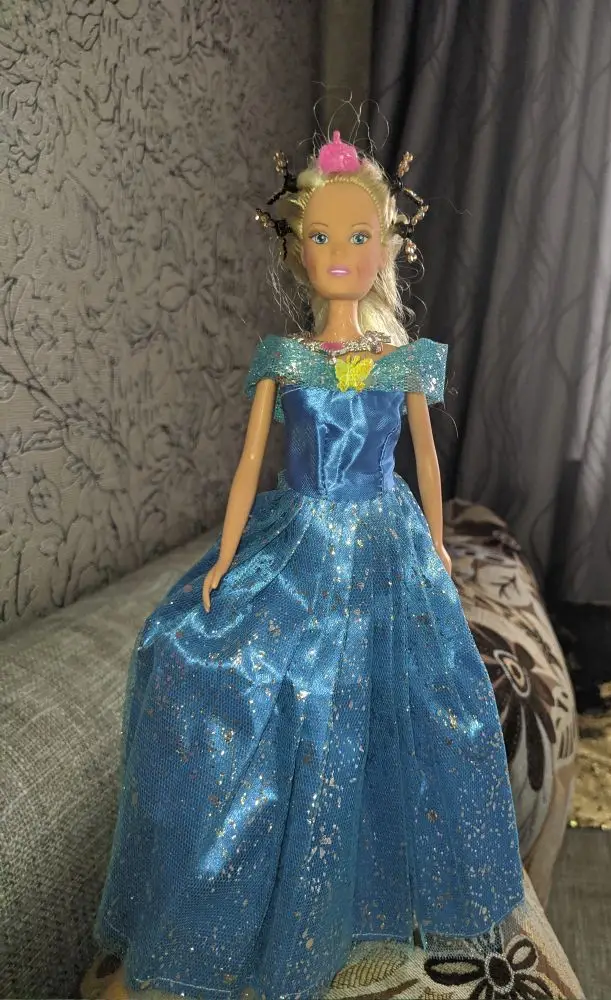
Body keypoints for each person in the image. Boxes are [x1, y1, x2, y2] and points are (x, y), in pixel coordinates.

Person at [92, 129, 524, 1000]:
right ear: (296, 248)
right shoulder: (283, 358)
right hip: (298, 535)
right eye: (321, 236)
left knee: (397, 698)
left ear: (386, 249)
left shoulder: (402, 359)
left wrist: (439, 546)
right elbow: (251, 463)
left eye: (358, 236)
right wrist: (224, 556)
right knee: (205, 661)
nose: (339, 253)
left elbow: (424, 459)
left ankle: (366, 884)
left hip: (384, 539)